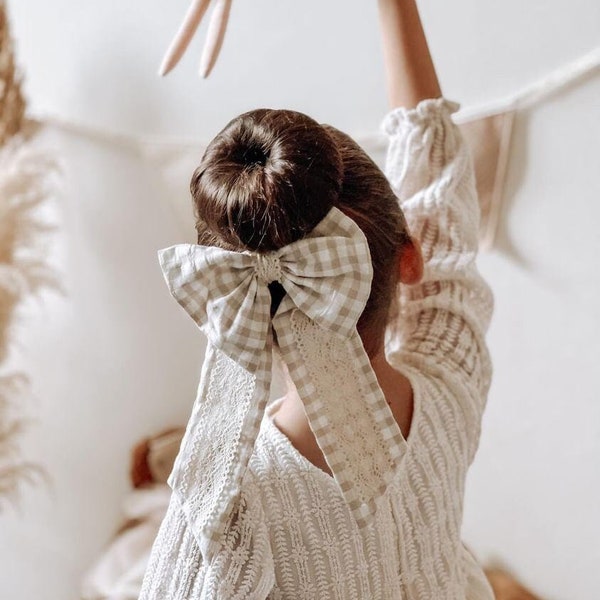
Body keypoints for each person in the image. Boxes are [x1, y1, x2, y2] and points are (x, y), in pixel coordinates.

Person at [139, 1, 540, 598]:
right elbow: (437, 187)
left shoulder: (230, 507)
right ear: (409, 259)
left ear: (236, 309)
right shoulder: (451, 383)